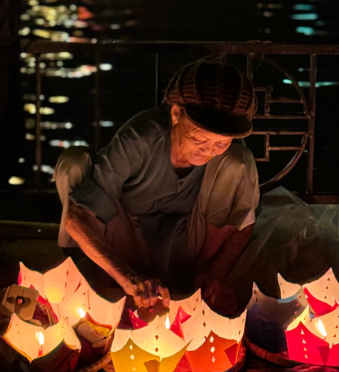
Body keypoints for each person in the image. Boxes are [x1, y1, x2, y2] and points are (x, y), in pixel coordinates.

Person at [54, 57, 259, 314]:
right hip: (125, 238)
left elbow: (242, 223)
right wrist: (128, 278)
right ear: (176, 113)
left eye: (221, 143)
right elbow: (77, 217)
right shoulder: (142, 137)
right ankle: (101, 280)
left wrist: (213, 276)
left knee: (239, 160)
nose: (208, 151)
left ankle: (196, 283)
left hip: (186, 244)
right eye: (199, 138)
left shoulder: (224, 158)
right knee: (72, 163)